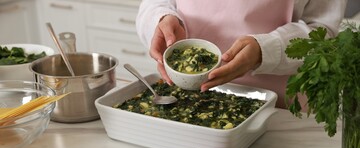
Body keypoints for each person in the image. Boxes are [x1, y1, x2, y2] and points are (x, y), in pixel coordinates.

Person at [136, 0, 347, 108]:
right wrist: (161, 18)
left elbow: (323, 31)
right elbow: (156, 2)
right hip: (183, 93)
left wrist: (265, 50)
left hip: (275, 106)